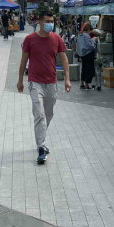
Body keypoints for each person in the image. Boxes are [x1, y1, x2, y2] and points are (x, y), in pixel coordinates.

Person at [17, 10, 71, 164]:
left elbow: (64, 60)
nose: (50, 24)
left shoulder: (57, 39)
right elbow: (23, 61)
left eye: (52, 21)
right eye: (47, 21)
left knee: (48, 115)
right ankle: (41, 147)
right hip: (35, 82)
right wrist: (20, 80)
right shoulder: (30, 39)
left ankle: (41, 137)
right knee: (39, 114)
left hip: (51, 82)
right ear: (39, 23)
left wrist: (67, 79)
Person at [76, 22, 98, 90]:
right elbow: (90, 46)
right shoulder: (86, 36)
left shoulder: (80, 35)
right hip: (88, 54)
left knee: (83, 68)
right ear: (88, 30)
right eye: (90, 31)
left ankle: (82, 83)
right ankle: (86, 84)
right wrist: (93, 41)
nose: (90, 32)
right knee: (89, 69)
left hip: (82, 54)